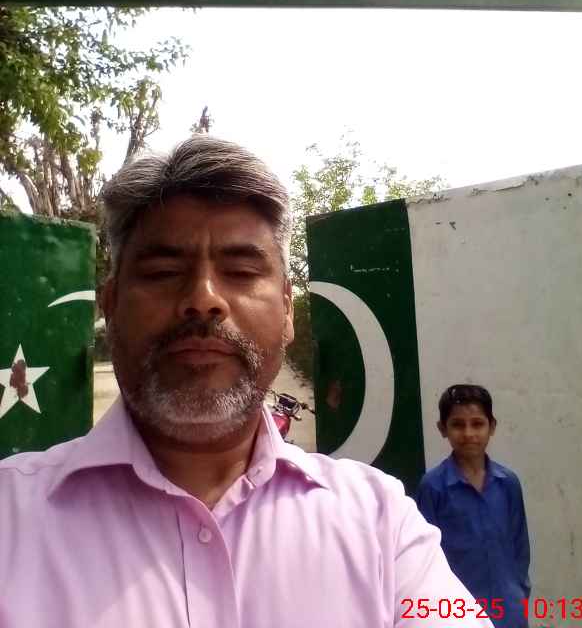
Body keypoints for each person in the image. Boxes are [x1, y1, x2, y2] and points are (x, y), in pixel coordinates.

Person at [0, 135, 492, 628]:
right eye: (164, 271)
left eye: (239, 270)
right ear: (110, 304)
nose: (203, 298)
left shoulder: (381, 523)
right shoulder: (10, 519)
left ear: (287, 309)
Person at [416, 384, 531, 628]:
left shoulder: (507, 483)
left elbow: (520, 546)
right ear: (442, 429)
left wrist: (519, 592)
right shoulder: (433, 487)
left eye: (477, 424)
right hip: (458, 613)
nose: (468, 433)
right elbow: (425, 556)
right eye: (458, 425)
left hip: (509, 611)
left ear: (492, 427)